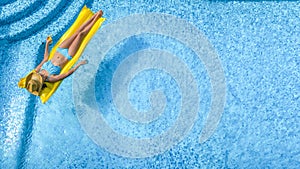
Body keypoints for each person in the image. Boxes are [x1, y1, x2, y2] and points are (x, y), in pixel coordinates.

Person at [25, 10, 103, 96]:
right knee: (80, 35)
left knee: (76, 32)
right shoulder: (51, 79)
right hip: (68, 55)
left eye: (38, 77)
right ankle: (96, 18)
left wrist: (47, 44)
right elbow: (67, 74)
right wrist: (79, 64)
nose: (40, 76)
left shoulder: (38, 70)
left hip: (60, 49)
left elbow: (45, 58)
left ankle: (92, 17)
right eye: (39, 80)